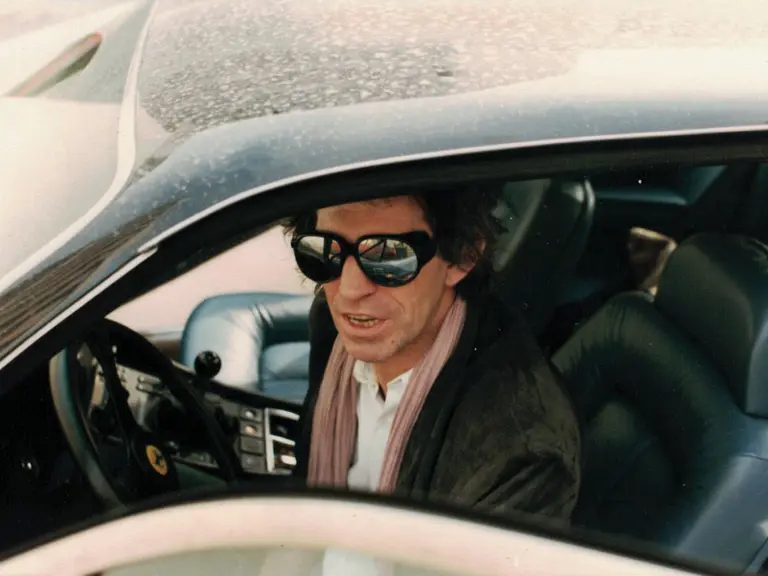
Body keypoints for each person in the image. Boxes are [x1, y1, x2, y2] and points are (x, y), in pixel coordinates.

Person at [284, 187, 581, 521]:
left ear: (463, 256)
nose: (350, 291)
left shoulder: (521, 446)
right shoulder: (332, 328)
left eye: (388, 255)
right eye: (325, 250)